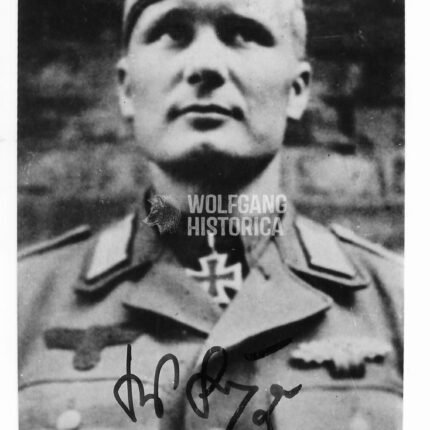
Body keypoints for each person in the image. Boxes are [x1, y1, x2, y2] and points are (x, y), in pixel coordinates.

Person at [18, 0, 403, 429]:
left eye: (244, 33)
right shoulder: (21, 301)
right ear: (126, 89)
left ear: (297, 90)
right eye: (173, 32)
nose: (205, 65)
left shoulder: (400, 301)